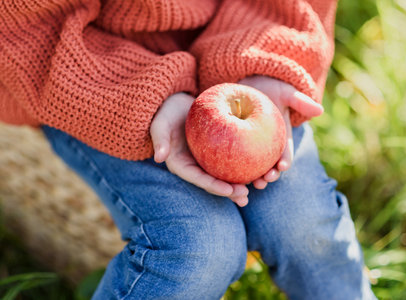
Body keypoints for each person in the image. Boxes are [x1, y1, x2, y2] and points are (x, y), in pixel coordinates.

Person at [0, 0, 376, 299]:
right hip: (94, 84)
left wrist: (264, 55)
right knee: (199, 248)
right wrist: (146, 97)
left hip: (245, 63)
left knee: (300, 219)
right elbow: (24, 32)